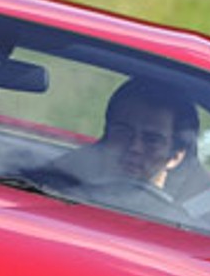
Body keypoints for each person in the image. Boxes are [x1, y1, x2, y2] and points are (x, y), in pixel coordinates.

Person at [49, 77, 197, 192]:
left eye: (152, 140)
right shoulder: (55, 185)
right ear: (106, 136)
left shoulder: (190, 224)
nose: (135, 147)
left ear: (176, 157)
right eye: (124, 132)